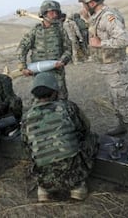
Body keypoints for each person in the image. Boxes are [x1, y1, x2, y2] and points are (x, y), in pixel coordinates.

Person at [21, 72, 99, 202]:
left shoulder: (27, 117)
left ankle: (43, 190)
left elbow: (26, 147)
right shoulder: (68, 107)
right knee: (93, 138)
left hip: (44, 178)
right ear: (54, 92)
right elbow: (86, 128)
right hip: (72, 177)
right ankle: (78, 188)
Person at [77, 0, 128, 143]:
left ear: (91, 2)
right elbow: (97, 29)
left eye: (84, 3)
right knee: (115, 99)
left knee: (122, 100)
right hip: (108, 67)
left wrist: (101, 44)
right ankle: (122, 126)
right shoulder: (97, 16)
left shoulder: (108, 16)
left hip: (115, 67)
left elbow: (124, 39)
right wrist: (87, 18)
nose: (83, 7)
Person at [17, 0, 72, 100]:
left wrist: (62, 61)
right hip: (39, 73)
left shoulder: (60, 30)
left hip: (57, 73)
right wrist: (23, 67)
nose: (55, 15)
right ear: (44, 14)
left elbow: (68, 49)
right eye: (51, 12)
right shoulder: (36, 31)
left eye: (56, 12)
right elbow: (22, 48)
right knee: (40, 100)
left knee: (61, 99)